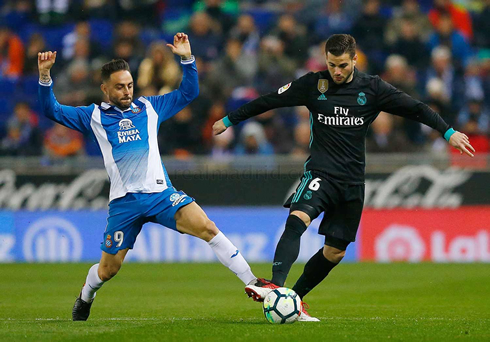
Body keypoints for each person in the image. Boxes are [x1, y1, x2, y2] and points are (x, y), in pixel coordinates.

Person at [212, 34, 475, 322]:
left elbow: (416, 108)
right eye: (331, 64)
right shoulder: (314, 84)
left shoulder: (373, 88)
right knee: (298, 217)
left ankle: (294, 299)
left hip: (351, 182)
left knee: (335, 252)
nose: (336, 71)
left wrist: (448, 132)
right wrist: (229, 120)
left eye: (342, 65)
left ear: (354, 60)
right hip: (321, 173)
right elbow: (270, 100)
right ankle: (276, 285)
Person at [38, 33, 260, 321]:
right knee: (108, 270)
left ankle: (254, 282)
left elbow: (188, 93)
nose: (127, 91)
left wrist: (187, 59)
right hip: (124, 202)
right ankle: (86, 295)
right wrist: (45, 77)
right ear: (105, 90)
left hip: (160, 195)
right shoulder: (93, 116)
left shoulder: (150, 107)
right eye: (119, 87)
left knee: (207, 226)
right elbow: (51, 110)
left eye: (129, 85)